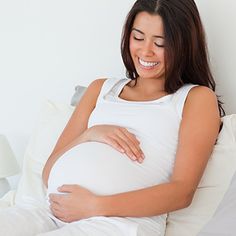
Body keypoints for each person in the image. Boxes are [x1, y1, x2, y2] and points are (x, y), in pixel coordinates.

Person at [0, 0, 224, 235]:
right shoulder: (100, 89)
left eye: (160, 43)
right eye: (138, 38)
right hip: (49, 212)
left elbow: (182, 192)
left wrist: (95, 206)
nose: (146, 51)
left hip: (117, 223)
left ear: (184, 45)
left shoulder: (195, 98)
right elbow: (48, 174)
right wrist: (89, 135)